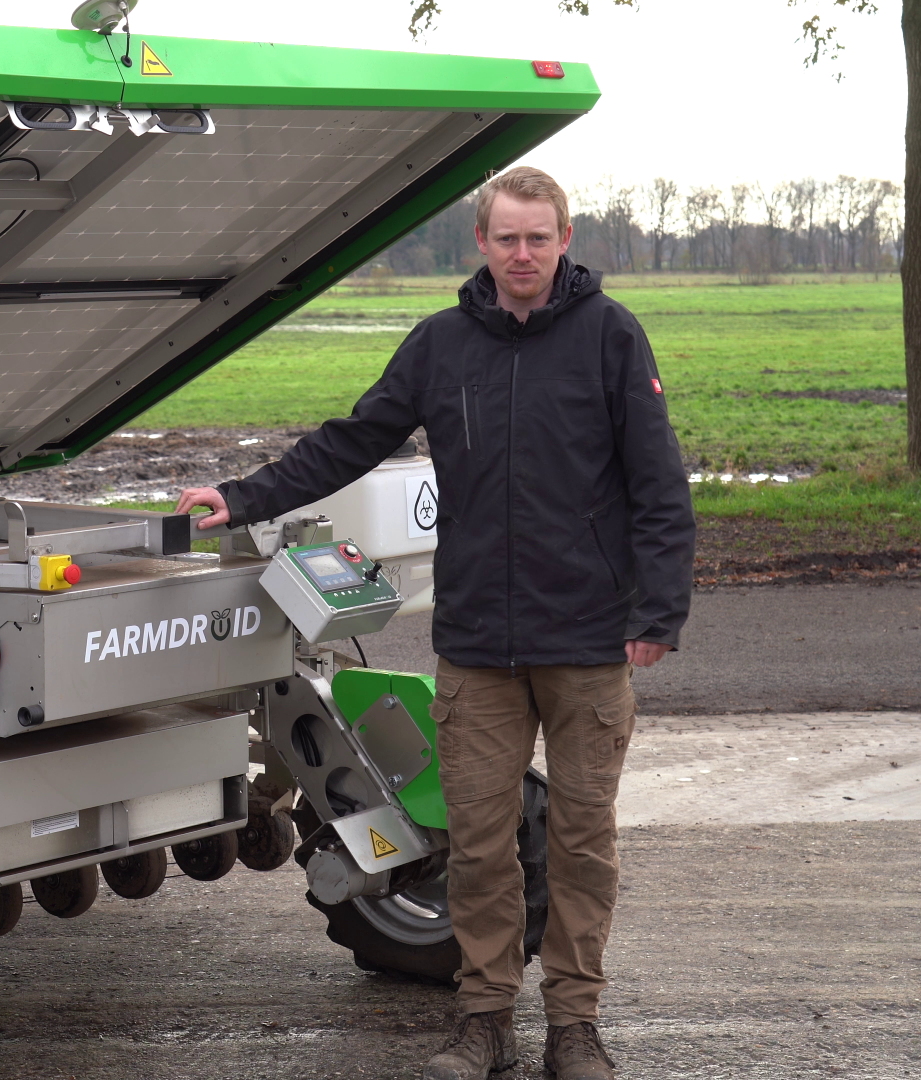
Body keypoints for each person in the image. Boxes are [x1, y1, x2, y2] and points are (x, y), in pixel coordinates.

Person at [176, 166, 693, 1080]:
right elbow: (352, 440)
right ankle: (484, 1019)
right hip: (478, 647)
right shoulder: (441, 345)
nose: (523, 254)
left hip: (586, 642)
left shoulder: (611, 336)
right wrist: (245, 496)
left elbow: (658, 484)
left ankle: (574, 1027)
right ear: (481, 243)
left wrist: (658, 610)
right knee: (480, 847)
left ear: (564, 240)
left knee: (581, 845)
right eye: (507, 238)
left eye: (538, 238)